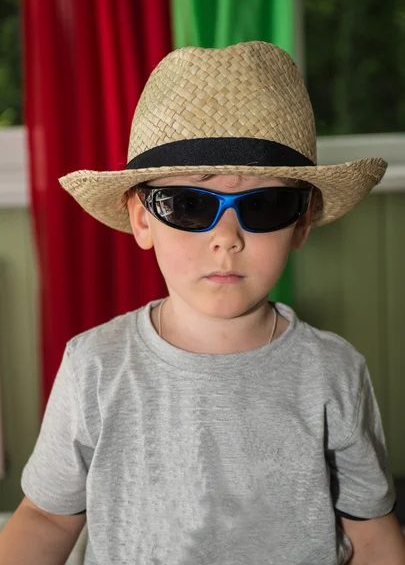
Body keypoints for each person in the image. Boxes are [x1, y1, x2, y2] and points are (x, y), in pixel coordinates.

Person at [1, 41, 404, 565]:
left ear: (301, 222)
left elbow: (373, 534)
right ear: (142, 218)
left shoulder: (334, 371)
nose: (226, 238)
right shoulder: (94, 365)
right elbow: (47, 517)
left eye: (265, 204)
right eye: (190, 204)